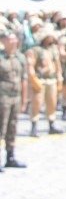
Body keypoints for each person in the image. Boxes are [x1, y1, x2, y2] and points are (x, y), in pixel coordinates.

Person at [0, 31, 27, 171]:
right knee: (1, 128)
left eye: (14, 39)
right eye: (9, 39)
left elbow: (24, 79)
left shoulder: (20, 58)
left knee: (13, 126)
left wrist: (24, 100)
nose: (13, 42)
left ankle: (10, 157)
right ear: (3, 41)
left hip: (15, 97)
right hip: (2, 97)